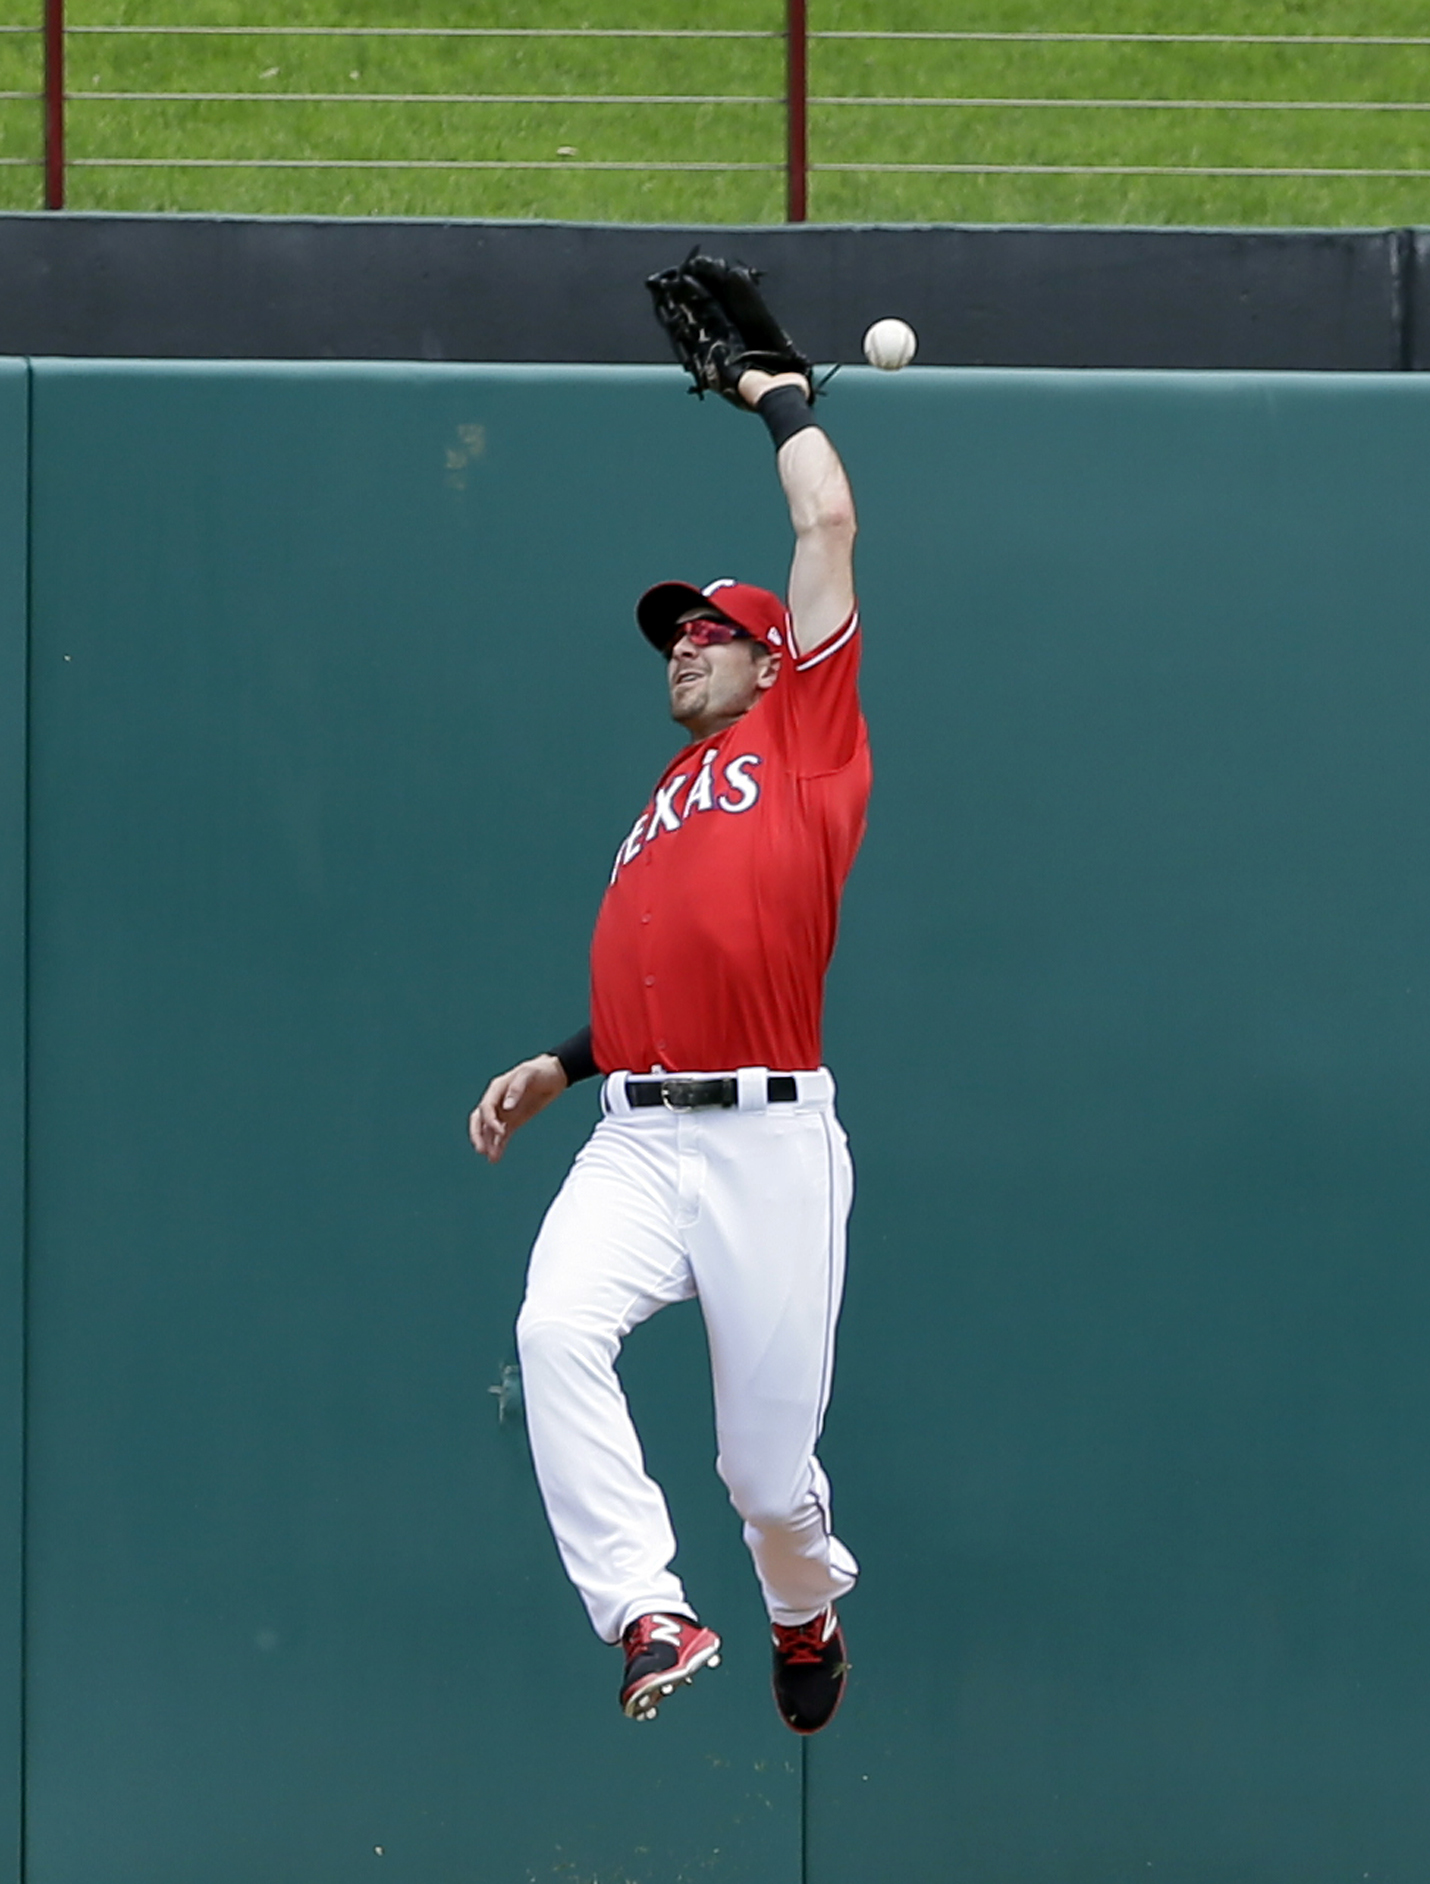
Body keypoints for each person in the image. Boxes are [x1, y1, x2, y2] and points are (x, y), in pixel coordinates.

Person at [470, 364, 869, 1735]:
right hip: (637, 1131)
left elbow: (825, 529)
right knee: (553, 1327)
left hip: (768, 1144)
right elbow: (687, 957)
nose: (683, 644)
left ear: (775, 659)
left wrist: (780, 397)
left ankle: (800, 1604)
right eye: (671, 636)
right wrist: (568, 1063)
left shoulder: (807, 744)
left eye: (711, 630)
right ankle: (647, 1607)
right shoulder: (672, 793)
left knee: (767, 1482)